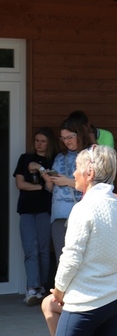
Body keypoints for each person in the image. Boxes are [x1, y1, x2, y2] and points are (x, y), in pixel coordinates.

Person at [51, 145, 117, 336]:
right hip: (114, 297)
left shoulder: (83, 208)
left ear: (90, 172)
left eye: (77, 167)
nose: (73, 173)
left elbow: (71, 257)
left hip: (84, 301)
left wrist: (59, 291)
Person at [13, 127, 58, 305]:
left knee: (44, 251)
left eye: (43, 141)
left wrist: (39, 168)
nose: (39, 144)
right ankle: (32, 288)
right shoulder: (25, 158)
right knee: (30, 250)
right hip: (26, 209)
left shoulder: (54, 160)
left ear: (49, 143)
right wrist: (40, 187)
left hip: (46, 210)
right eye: (37, 140)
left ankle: (44, 289)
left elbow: (52, 185)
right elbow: (20, 183)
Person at [41, 117, 93, 264]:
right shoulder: (59, 156)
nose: (67, 141)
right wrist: (48, 181)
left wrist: (67, 181)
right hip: (59, 216)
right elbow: (52, 189)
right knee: (62, 260)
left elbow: (96, 186)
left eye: (70, 137)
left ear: (80, 134)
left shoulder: (90, 155)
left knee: (81, 260)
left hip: (81, 215)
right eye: (63, 138)